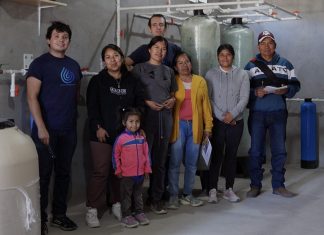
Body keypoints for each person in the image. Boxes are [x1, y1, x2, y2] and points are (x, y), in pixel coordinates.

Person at [26, 21, 82, 235]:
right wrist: (41, 127)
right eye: (57, 36)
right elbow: (32, 98)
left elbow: (74, 96)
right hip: (46, 130)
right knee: (43, 175)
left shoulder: (74, 65)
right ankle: (39, 219)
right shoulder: (39, 64)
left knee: (64, 173)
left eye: (65, 36)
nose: (61, 39)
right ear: (49, 39)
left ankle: (59, 215)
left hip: (68, 130)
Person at [85, 44, 145, 228]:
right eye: (108, 57)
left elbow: (139, 106)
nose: (113, 60)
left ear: (122, 57)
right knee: (101, 171)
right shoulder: (97, 81)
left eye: (116, 56)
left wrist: (136, 126)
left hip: (125, 136)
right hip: (102, 134)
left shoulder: (132, 81)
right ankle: (92, 209)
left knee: (120, 172)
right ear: (104, 61)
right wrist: (98, 127)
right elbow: (92, 108)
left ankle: (118, 203)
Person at [244, 30, 300, 198]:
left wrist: (286, 89)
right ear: (258, 46)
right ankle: (255, 185)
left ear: (275, 45)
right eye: (263, 43)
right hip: (257, 115)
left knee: (279, 151)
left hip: (278, 114)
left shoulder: (286, 64)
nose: (266, 46)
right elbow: (243, 90)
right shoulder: (250, 65)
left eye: (270, 43)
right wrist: (255, 92)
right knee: (255, 151)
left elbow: (296, 86)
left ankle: (279, 185)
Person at [132, 36, 177, 215]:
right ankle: (136, 201)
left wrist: (173, 100)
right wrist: (146, 101)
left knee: (160, 160)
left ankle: (156, 198)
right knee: (141, 159)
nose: (160, 51)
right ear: (149, 50)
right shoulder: (139, 69)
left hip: (165, 118)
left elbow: (172, 93)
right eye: (156, 47)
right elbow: (132, 92)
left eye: (164, 48)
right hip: (145, 118)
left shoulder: (169, 71)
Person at [168, 52, 213, 209]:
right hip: (178, 126)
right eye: (180, 63)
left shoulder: (200, 81)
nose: (184, 65)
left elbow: (206, 106)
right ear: (175, 67)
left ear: (191, 64)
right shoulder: (173, 81)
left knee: (192, 163)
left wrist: (208, 127)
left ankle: (187, 194)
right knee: (174, 162)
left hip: (195, 126)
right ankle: (173, 195)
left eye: (187, 61)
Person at [205, 44, 250, 203]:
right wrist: (221, 116)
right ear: (218, 57)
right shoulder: (210, 74)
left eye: (228, 55)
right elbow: (208, 98)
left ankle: (229, 189)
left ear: (233, 56)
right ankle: (212, 189)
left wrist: (232, 115)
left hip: (236, 122)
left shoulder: (242, 74)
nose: (225, 58)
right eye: (222, 55)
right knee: (216, 155)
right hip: (218, 122)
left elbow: (244, 98)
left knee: (231, 155)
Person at [112, 107, 152, 228]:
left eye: (137, 121)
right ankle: (126, 216)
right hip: (126, 175)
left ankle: (139, 213)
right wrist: (118, 170)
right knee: (126, 196)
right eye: (131, 121)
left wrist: (147, 169)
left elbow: (146, 154)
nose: (134, 124)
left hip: (139, 174)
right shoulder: (121, 139)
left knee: (138, 195)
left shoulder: (142, 138)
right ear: (124, 122)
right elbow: (115, 155)